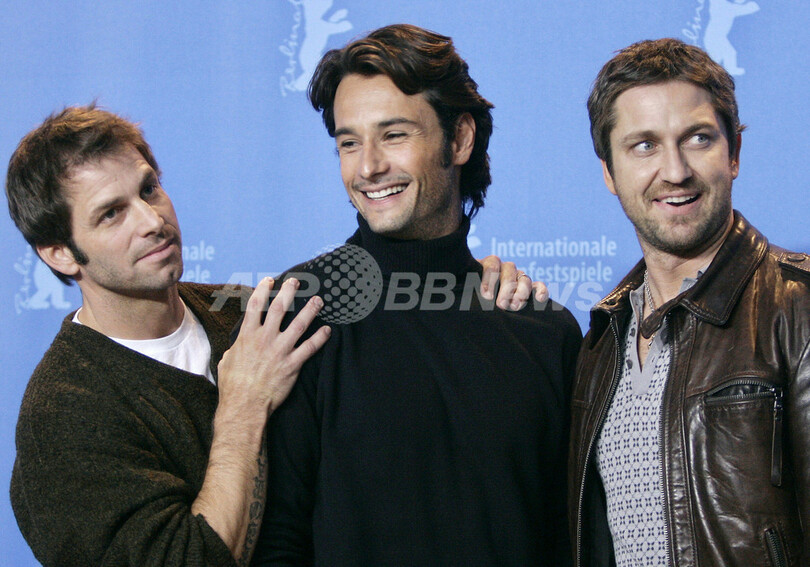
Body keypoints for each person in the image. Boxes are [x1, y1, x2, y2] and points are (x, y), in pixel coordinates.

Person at [5, 105, 535, 567]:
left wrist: (471, 283)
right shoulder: (64, 413)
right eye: (111, 214)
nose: (151, 220)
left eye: (149, 189)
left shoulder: (251, 310)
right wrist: (243, 405)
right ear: (59, 253)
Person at [251, 24, 582, 566]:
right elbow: (275, 542)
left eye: (394, 135)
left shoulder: (544, 330)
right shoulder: (298, 312)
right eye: (349, 143)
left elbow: (570, 537)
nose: (368, 167)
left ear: (460, 139)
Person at [568, 38, 810, 566]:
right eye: (644, 146)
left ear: (734, 152)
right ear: (609, 172)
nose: (675, 171)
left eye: (698, 139)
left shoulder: (799, 307)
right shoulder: (601, 340)